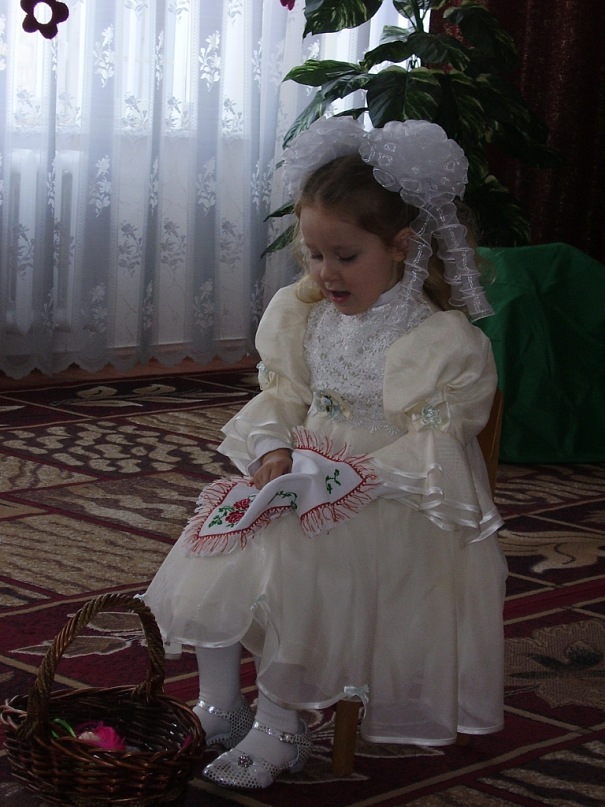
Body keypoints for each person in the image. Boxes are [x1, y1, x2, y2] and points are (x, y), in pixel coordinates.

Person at [142, 116, 508, 790]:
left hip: (390, 503)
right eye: (313, 254)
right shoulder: (304, 313)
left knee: (299, 562)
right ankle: (221, 702)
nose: (324, 272)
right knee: (220, 536)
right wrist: (273, 450)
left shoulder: (437, 341)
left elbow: (434, 445)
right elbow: (284, 396)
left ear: (400, 247)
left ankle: (280, 726)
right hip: (304, 477)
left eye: (344, 256)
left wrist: (353, 478)